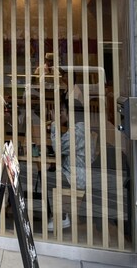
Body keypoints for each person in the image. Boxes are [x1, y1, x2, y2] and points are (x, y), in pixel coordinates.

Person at [46, 96, 87, 230]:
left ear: (71, 113)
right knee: (49, 174)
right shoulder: (79, 128)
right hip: (75, 172)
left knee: (48, 178)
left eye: (62, 111)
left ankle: (62, 216)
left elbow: (58, 148)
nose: (59, 114)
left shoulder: (78, 130)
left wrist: (54, 123)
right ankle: (60, 214)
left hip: (76, 176)